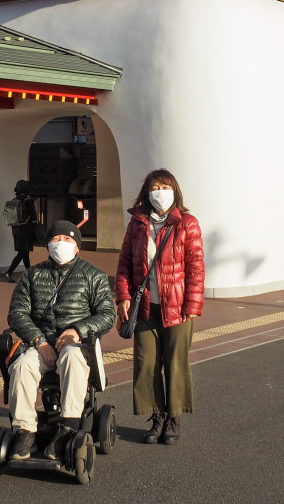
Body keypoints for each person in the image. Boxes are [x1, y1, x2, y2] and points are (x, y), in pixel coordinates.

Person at [6, 220, 115, 461]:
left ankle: (68, 427)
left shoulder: (93, 276)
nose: (61, 244)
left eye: (67, 240)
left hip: (77, 344)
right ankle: (25, 431)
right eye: (55, 239)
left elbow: (108, 315)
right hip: (41, 343)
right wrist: (39, 341)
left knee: (72, 358)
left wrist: (78, 330)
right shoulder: (32, 275)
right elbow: (17, 313)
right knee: (22, 366)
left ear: (77, 246)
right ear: (47, 245)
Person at [114, 168, 204, 445]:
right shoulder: (137, 223)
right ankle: (156, 417)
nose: (160, 193)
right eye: (155, 188)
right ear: (146, 193)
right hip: (144, 307)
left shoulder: (187, 223)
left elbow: (196, 268)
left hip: (177, 307)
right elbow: (125, 263)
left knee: (175, 363)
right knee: (146, 364)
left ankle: (174, 417)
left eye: (165, 188)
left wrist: (192, 304)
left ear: (175, 191)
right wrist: (123, 296)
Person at [5, 179, 38, 281]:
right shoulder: (28, 201)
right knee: (22, 253)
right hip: (26, 231)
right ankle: (9, 272)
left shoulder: (14, 201)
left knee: (24, 253)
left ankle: (29, 275)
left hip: (15, 230)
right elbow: (33, 216)